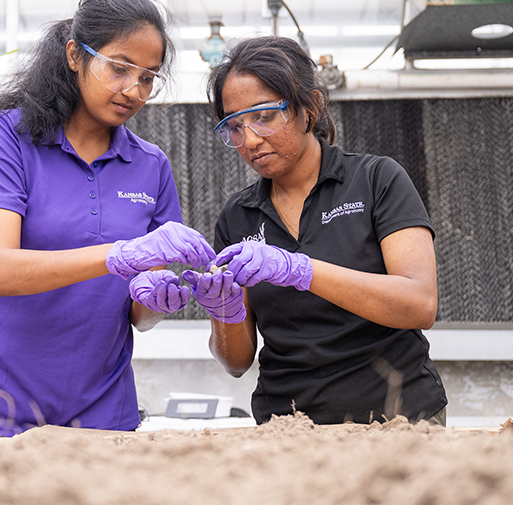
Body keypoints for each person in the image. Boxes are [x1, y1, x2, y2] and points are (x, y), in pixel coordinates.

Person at [0, 0, 214, 436]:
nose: (133, 90)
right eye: (119, 68)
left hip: (98, 394)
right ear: (75, 56)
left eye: (148, 77)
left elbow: (140, 314)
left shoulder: (150, 166)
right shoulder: (12, 138)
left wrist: (158, 300)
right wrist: (117, 254)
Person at [181, 35, 448, 426]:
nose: (249, 140)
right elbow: (236, 362)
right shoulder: (238, 216)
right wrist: (223, 310)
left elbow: (419, 304)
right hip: (289, 425)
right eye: (234, 126)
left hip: (400, 416)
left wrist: (301, 270)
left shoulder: (375, 180)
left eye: (264, 116)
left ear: (310, 108)